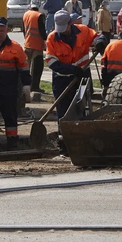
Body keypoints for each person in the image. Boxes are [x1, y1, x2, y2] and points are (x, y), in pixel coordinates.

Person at [45, 10, 97, 152]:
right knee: (63, 112)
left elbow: (97, 37)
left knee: (83, 109)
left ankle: (84, 141)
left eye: (64, 27)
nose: (61, 31)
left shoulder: (84, 31)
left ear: (70, 23)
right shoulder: (52, 38)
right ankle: (64, 144)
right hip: (62, 80)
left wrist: (100, 42)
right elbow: (52, 63)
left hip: (82, 78)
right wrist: (71, 70)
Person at [0, 17, 32, 149]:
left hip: (9, 89)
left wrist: (26, 85)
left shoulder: (16, 47)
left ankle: (12, 141)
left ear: (7, 30)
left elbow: (24, 67)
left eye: (1, 30)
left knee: (10, 115)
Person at [22, 0, 47, 94]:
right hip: (37, 45)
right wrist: (46, 40)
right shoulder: (39, 15)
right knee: (37, 68)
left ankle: (26, 85)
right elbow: (42, 32)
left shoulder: (25, 14)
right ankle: (34, 86)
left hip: (27, 44)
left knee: (26, 67)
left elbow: (24, 30)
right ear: (39, 5)